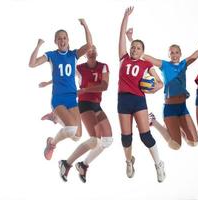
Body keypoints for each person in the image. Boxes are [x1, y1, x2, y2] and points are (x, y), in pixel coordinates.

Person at [129, 22, 198, 150]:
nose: (174, 55)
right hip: (170, 108)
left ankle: (174, 127)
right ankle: (154, 122)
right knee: (175, 146)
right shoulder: (164, 65)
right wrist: (131, 40)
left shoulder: (184, 64)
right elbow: (145, 56)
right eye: (172, 53)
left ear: (180, 54)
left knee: (193, 142)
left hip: (182, 108)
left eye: (177, 52)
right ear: (168, 55)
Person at [29, 19, 92, 160]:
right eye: (59, 39)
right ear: (55, 41)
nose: (62, 41)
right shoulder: (51, 55)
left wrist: (85, 26)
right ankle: (52, 143)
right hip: (58, 98)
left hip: (72, 98)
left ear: (68, 40)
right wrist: (38, 45)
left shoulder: (73, 55)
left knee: (77, 136)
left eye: (64, 38)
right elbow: (32, 64)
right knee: (70, 129)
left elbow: (89, 45)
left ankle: (54, 118)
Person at [118, 7, 165, 183]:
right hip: (123, 100)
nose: (134, 49)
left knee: (145, 136)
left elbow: (159, 82)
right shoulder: (123, 58)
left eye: (138, 48)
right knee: (126, 138)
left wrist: (156, 88)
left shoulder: (146, 64)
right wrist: (125, 17)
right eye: (133, 47)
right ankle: (129, 161)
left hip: (138, 100)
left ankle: (159, 165)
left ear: (142, 50)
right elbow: (121, 35)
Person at [58, 45, 113, 183]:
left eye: (93, 49)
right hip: (85, 104)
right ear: (85, 55)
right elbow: (64, 76)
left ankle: (83, 164)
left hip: (96, 104)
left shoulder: (103, 66)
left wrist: (85, 89)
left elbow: (104, 86)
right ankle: (66, 163)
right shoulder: (79, 68)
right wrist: (50, 82)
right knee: (95, 140)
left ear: (97, 52)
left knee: (107, 140)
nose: (91, 52)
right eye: (88, 51)